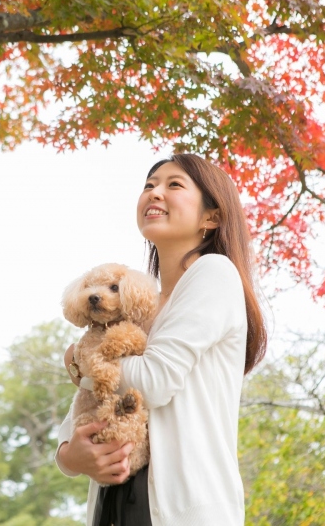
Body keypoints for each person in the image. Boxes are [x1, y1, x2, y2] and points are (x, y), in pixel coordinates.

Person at [55, 153, 267, 526]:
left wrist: (77, 359)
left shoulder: (213, 273)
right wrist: (68, 456)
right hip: (114, 504)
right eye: (149, 185)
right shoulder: (137, 305)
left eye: (174, 185)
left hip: (186, 508)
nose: (154, 193)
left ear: (211, 217)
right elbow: (87, 404)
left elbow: (154, 380)